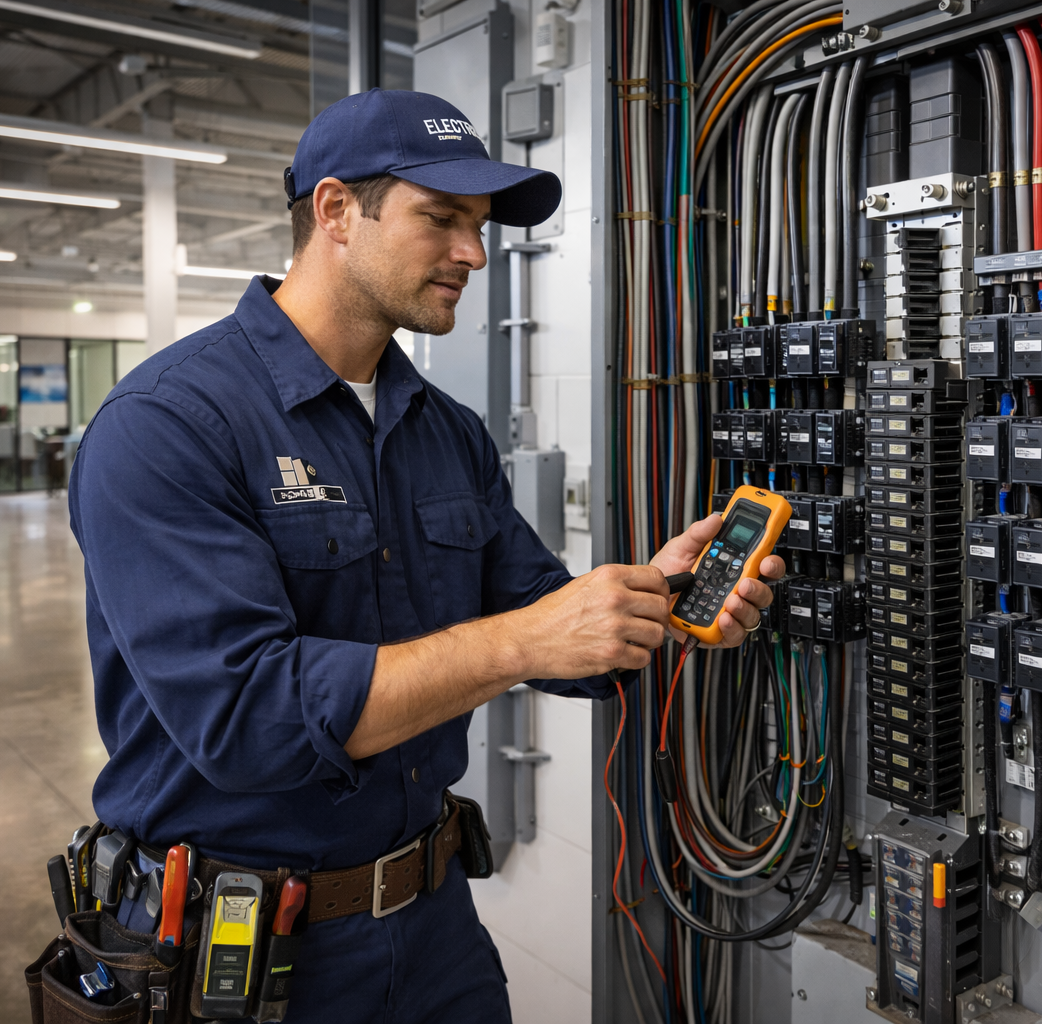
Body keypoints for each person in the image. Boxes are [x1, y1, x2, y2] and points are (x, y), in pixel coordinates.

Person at [67, 89, 783, 1023]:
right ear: (334, 212)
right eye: (440, 218)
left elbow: (537, 608)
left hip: (431, 922)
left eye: (479, 226)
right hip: (237, 956)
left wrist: (651, 599)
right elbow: (247, 717)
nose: (474, 254)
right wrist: (524, 642)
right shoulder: (167, 427)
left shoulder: (445, 431)